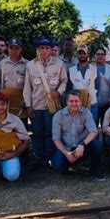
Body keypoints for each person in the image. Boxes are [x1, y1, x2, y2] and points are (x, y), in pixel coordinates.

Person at [23, 37, 67, 168]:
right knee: (37, 132)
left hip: (52, 105)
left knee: (50, 131)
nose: (44, 50)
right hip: (36, 104)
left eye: (47, 48)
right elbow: (27, 86)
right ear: (38, 49)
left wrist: (59, 92)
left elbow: (64, 81)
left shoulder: (59, 64)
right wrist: (28, 105)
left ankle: (49, 158)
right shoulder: (31, 65)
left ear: (51, 49)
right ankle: (38, 157)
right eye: (41, 48)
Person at [51, 90, 105, 180]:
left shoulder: (86, 112)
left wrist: (82, 144)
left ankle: (95, 171)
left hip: (82, 147)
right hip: (67, 148)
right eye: (71, 101)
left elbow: (94, 131)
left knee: (97, 145)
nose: (74, 104)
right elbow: (56, 139)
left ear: (80, 102)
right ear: (66, 102)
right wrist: (66, 153)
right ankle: (70, 165)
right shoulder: (58, 116)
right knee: (57, 166)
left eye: (76, 101)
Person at [0, 37, 28, 124]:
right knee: (6, 129)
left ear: (21, 49)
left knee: (21, 129)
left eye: (16, 48)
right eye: (11, 48)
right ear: (7, 49)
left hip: (21, 102)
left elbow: (30, 85)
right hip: (6, 102)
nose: (13, 51)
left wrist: (26, 100)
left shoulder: (27, 64)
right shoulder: (2, 64)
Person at [68, 45, 99, 124]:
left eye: (84, 53)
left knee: (92, 127)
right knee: (79, 128)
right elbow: (69, 88)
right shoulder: (71, 70)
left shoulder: (94, 69)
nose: (82, 55)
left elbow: (98, 86)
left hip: (92, 103)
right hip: (77, 104)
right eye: (80, 53)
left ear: (87, 54)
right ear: (77, 55)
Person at [94, 47, 110, 126]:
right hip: (94, 104)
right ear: (94, 56)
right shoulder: (90, 68)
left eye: (102, 54)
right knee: (94, 126)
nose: (100, 56)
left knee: (106, 126)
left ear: (105, 56)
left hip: (108, 103)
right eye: (98, 54)